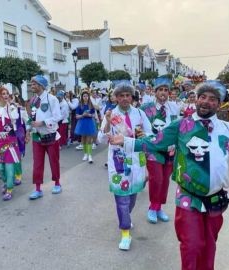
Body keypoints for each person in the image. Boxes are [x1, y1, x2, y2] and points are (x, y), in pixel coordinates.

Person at [109, 80, 229, 269]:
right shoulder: (181, 125)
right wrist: (126, 141)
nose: (206, 101)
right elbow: (155, 141)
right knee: (191, 246)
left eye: (212, 99)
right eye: (203, 97)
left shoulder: (227, 129)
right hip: (188, 198)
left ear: (219, 103)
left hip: (216, 199)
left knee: (209, 246)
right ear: (196, 99)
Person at [97, 81, 152, 250]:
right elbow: (100, 139)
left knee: (133, 194)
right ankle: (125, 232)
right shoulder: (110, 114)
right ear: (116, 97)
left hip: (137, 159)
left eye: (128, 95)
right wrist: (106, 123)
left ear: (132, 97)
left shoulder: (140, 114)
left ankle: (126, 215)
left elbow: (150, 136)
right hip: (118, 160)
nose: (125, 98)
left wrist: (144, 135)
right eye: (121, 95)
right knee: (121, 196)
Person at [139, 76, 174, 224]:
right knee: (156, 179)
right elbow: (139, 126)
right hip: (153, 149)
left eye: (166, 90)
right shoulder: (146, 108)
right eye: (161, 90)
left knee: (165, 180)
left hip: (170, 150)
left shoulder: (175, 107)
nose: (164, 93)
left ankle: (159, 207)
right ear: (155, 91)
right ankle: (152, 208)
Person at [26, 75, 63, 199]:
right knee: (37, 163)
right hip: (37, 137)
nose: (32, 86)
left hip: (51, 135)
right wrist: (28, 130)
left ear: (41, 85)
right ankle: (38, 189)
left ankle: (57, 183)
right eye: (31, 84)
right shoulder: (32, 101)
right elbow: (31, 118)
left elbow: (58, 116)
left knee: (54, 161)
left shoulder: (52, 99)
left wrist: (43, 122)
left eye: (34, 84)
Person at [0, 87, 23, 201]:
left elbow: (15, 118)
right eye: (3, 94)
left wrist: (12, 107)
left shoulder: (12, 108)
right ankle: (6, 182)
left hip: (11, 141)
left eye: (7, 94)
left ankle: (9, 189)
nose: (6, 96)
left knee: (9, 167)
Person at [74, 90, 98, 163]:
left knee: (89, 139)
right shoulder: (79, 106)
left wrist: (89, 115)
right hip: (82, 123)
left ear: (88, 97)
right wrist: (83, 115)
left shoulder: (91, 105)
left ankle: (90, 155)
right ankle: (85, 154)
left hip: (90, 123)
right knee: (83, 139)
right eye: (84, 96)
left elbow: (94, 115)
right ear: (82, 97)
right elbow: (77, 116)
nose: (85, 97)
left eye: (87, 96)